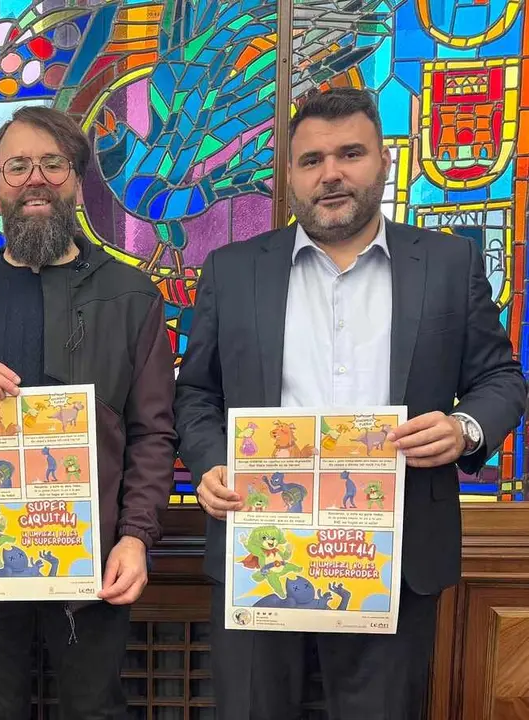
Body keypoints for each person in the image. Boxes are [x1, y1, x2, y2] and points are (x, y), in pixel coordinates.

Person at [174, 86, 528, 719]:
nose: (330, 173)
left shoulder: (447, 262)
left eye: (350, 154)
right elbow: (197, 392)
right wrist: (209, 462)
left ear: (383, 161)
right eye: (312, 160)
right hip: (261, 546)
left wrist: (464, 428)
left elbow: (502, 380)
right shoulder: (231, 270)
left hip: (395, 554)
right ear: (289, 174)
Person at [0, 106, 178, 719]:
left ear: (76, 179)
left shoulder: (130, 295)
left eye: (53, 164)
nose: (35, 180)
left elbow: (154, 434)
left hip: (95, 556)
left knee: (94, 711)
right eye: (17, 166)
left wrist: (136, 538)